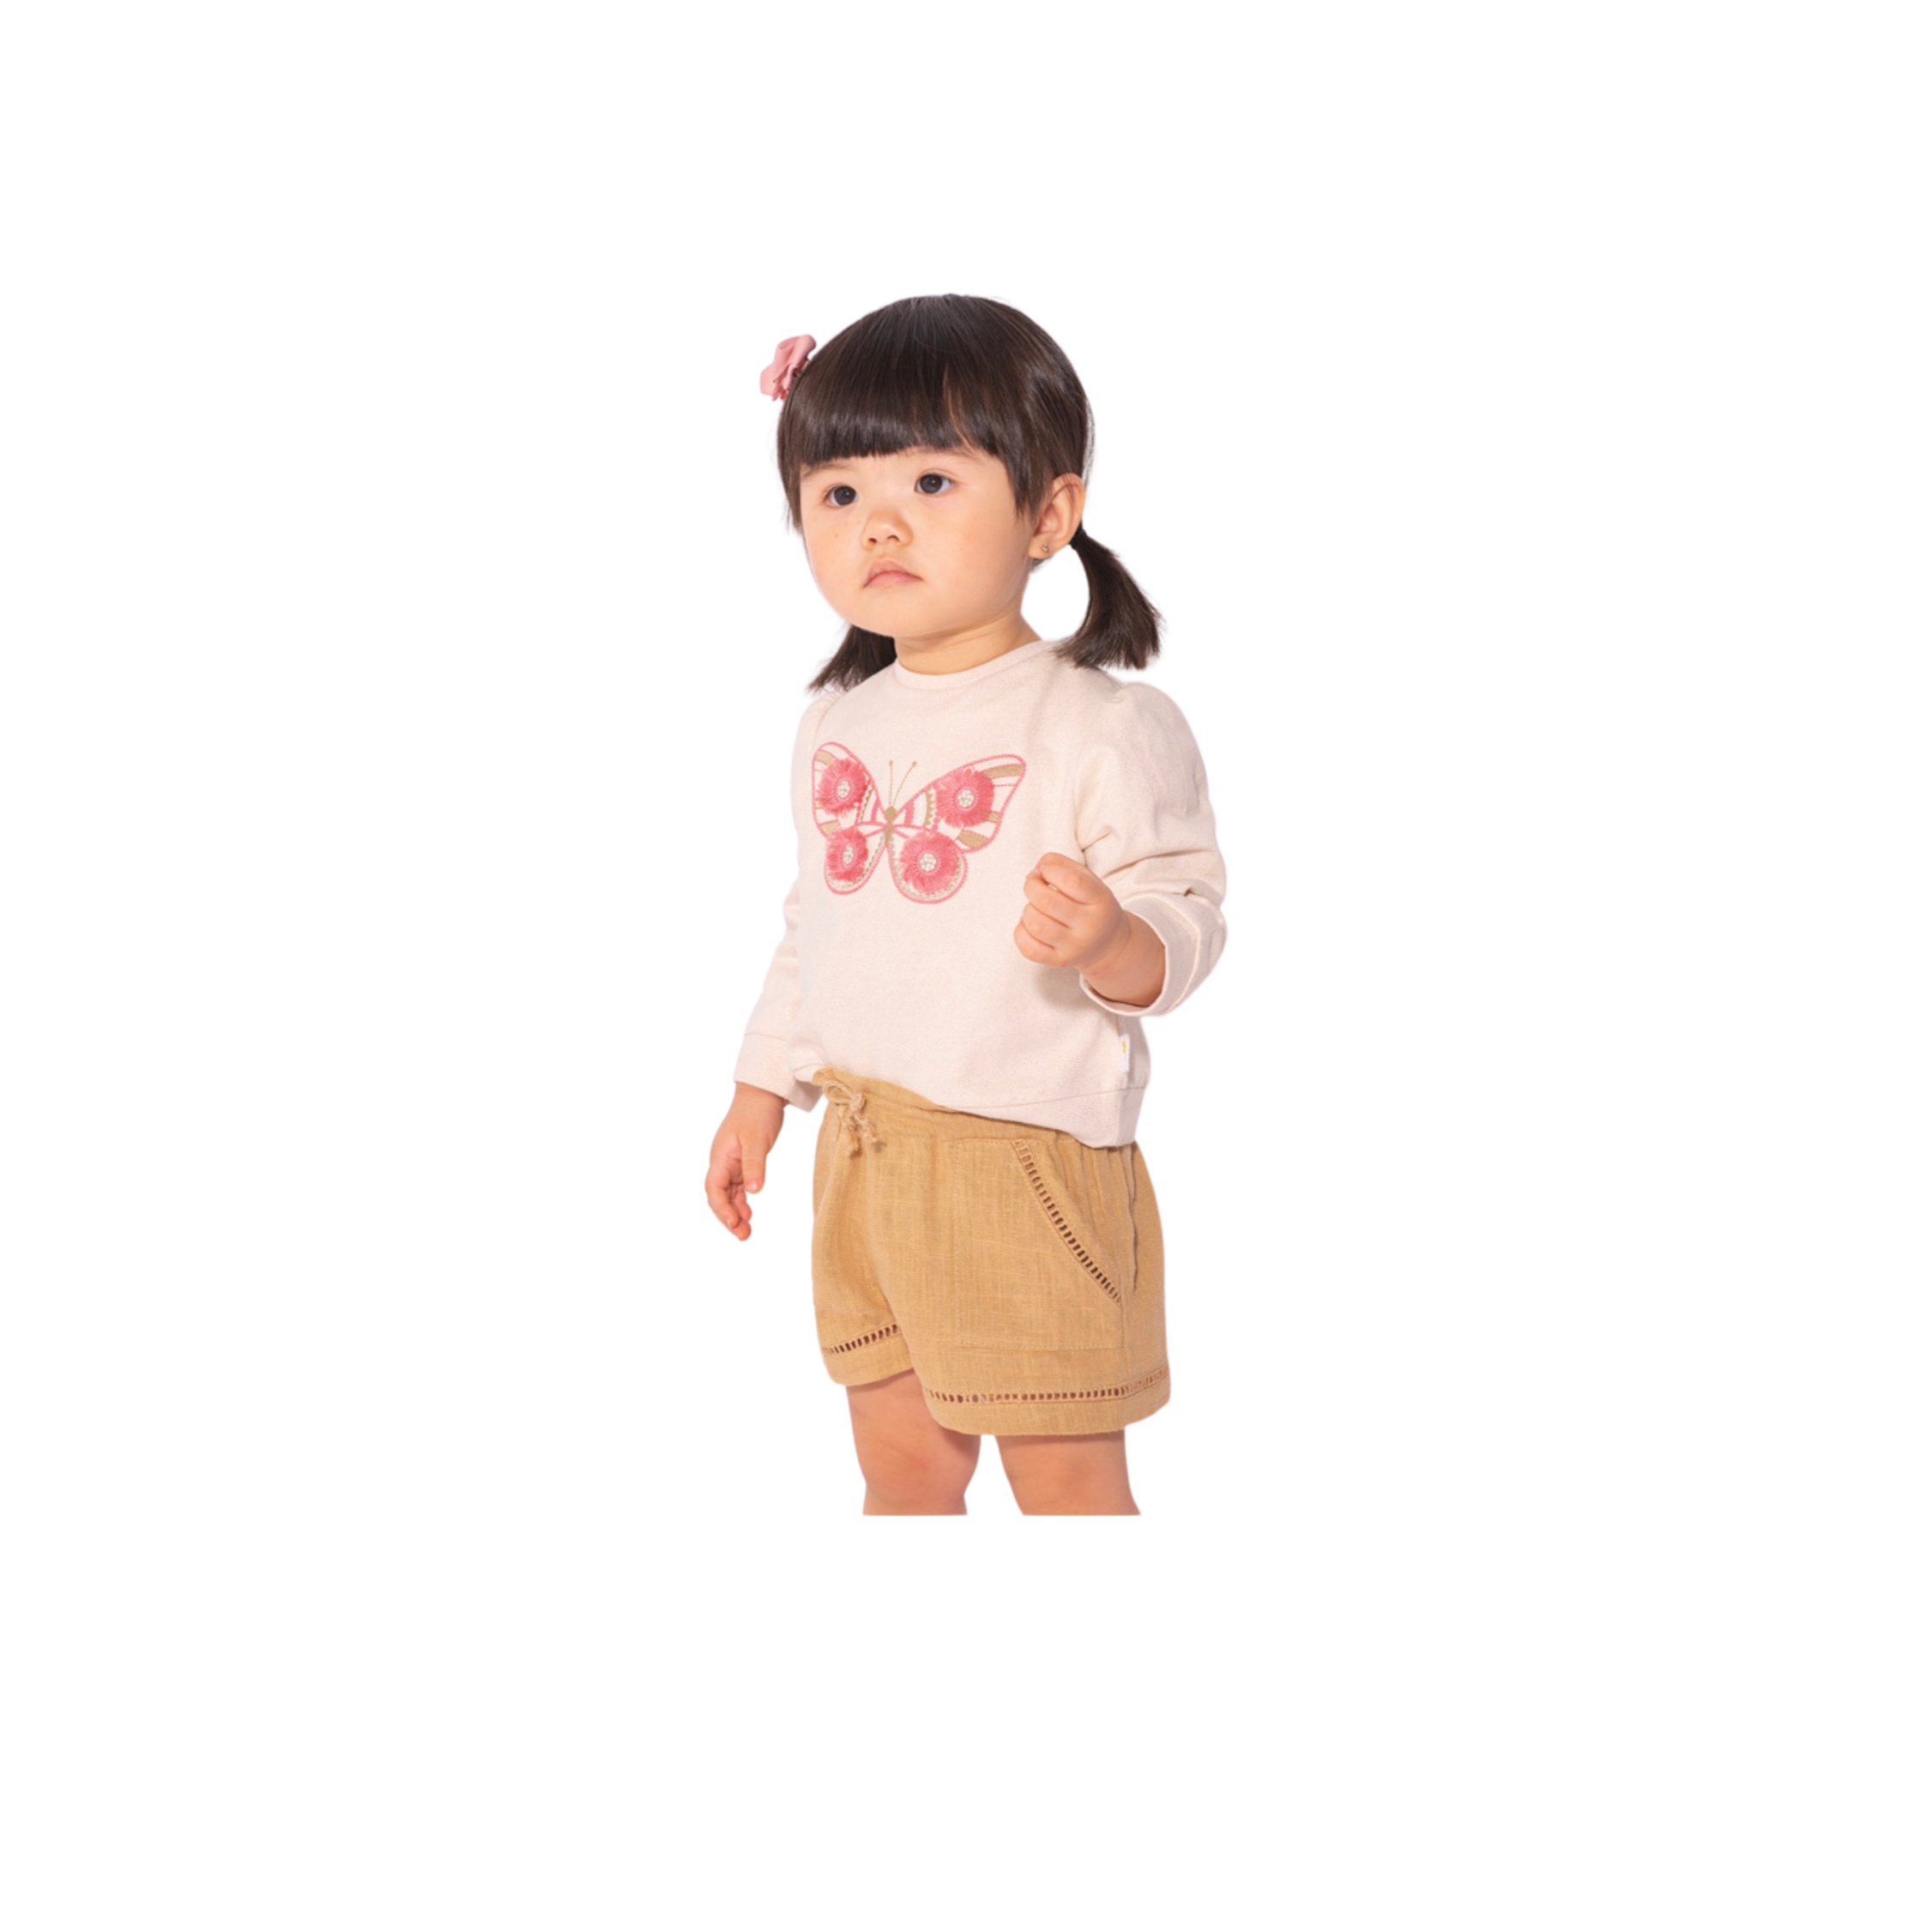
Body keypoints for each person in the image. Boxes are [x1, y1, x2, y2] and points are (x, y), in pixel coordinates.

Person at [704, 294, 1229, 1516]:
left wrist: (1115, 939)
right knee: (902, 1466)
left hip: (1024, 1161)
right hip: (864, 1152)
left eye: (934, 482)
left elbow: (1188, 909)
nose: (880, 522)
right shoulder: (837, 724)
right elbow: (815, 924)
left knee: (1066, 1476)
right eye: (839, 493)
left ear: (1049, 513)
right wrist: (759, 1091)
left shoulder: (1100, 722)